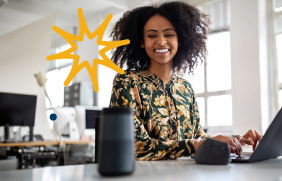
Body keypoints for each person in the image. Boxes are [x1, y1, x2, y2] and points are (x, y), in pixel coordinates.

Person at [109, 1, 262, 161]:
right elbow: (132, 146)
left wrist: (237, 140)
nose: (161, 41)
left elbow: (197, 136)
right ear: (141, 42)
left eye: (169, 34)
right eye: (152, 35)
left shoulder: (185, 88)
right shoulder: (127, 82)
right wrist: (195, 145)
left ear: (180, 39)